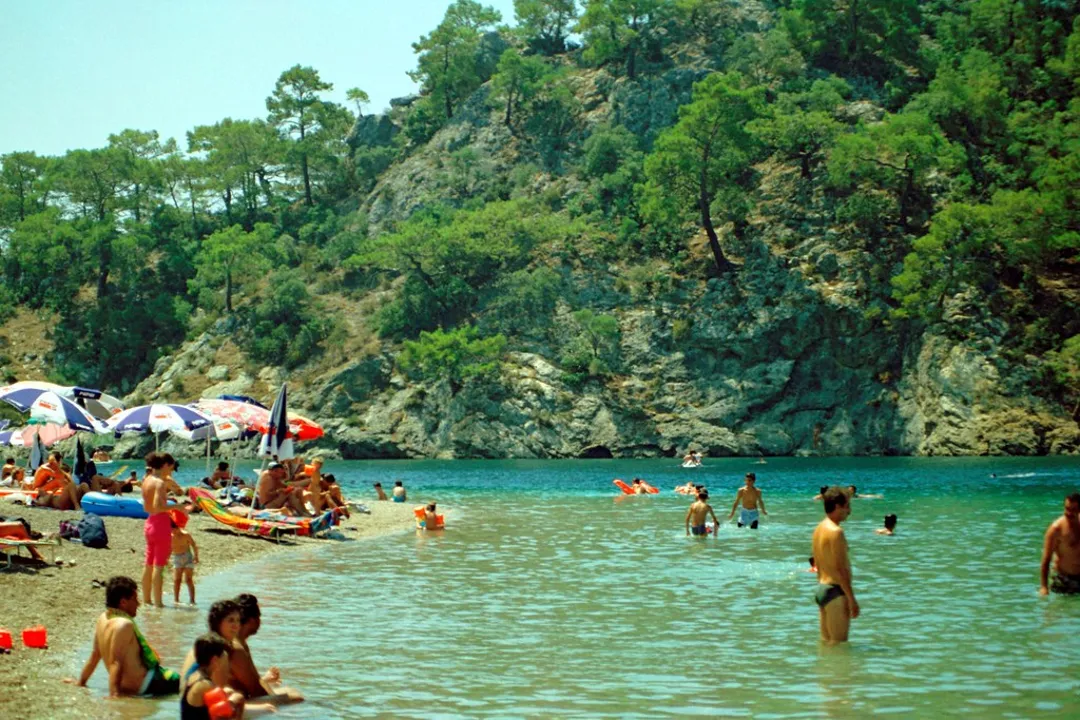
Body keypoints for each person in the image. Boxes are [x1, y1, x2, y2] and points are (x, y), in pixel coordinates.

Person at [66, 576, 180, 697]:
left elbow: (95, 655)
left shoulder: (102, 618)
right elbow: (116, 662)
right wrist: (114, 695)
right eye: (135, 599)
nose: (138, 603)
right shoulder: (124, 625)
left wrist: (81, 682)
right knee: (184, 683)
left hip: (132, 686)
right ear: (123, 602)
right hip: (146, 685)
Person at [228, 594, 304, 705]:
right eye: (259, 616)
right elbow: (257, 691)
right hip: (237, 703)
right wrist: (277, 699)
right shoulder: (237, 648)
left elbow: (255, 682)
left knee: (290, 691)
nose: (260, 621)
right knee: (298, 698)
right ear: (252, 620)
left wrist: (266, 682)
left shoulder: (240, 643)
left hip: (243, 696)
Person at [811, 487, 859, 644]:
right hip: (835, 592)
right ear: (838, 506)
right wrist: (851, 599)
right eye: (847, 506)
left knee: (827, 644)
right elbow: (841, 569)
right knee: (839, 645)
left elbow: (818, 563)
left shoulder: (819, 528)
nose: (849, 511)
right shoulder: (836, 532)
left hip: (821, 589)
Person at [143, 452, 179, 608]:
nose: (170, 470)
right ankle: (158, 604)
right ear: (164, 465)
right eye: (170, 467)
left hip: (149, 522)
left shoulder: (147, 480)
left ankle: (146, 600)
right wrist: (178, 506)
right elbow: (159, 506)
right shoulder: (159, 483)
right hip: (160, 525)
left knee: (149, 564)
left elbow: (149, 505)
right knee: (159, 566)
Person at [180, 633, 244, 720]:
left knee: (233, 694)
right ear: (215, 660)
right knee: (238, 698)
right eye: (223, 656)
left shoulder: (193, 674)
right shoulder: (206, 685)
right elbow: (222, 717)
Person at [1039, 492, 1080, 596]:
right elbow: (1046, 559)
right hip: (1064, 580)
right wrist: (1044, 587)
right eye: (1067, 509)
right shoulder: (1056, 529)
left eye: (1073, 510)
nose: (1069, 513)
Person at [171, 510, 199, 605]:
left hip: (187, 556)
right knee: (177, 580)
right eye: (172, 530)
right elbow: (169, 548)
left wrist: (196, 557)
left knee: (188, 579)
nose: (174, 532)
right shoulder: (170, 536)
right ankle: (176, 600)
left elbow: (194, 545)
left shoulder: (186, 535)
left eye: (175, 529)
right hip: (177, 557)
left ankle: (192, 600)